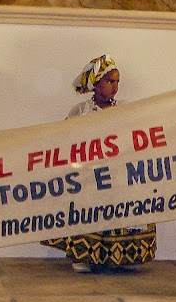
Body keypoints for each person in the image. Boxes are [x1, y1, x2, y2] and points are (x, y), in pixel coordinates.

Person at [42, 55, 157, 272]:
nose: (114, 87)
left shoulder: (126, 109)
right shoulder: (81, 111)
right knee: (89, 209)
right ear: (96, 84)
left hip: (120, 173)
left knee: (122, 208)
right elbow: (67, 141)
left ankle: (126, 257)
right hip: (91, 174)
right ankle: (86, 256)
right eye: (109, 81)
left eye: (117, 82)